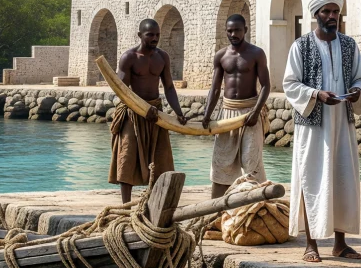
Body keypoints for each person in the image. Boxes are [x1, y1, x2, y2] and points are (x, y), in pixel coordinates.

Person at [282, 0, 361, 262]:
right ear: (315, 15)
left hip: (342, 122)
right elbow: (290, 83)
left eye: (335, 12)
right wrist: (316, 95)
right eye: (326, 12)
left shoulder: (348, 45)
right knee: (313, 179)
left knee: (342, 179)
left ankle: (340, 244)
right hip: (313, 126)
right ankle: (311, 244)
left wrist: (357, 91)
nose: (332, 17)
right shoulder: (301, 46)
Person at [109, 18, 187, 203]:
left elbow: (168, 87)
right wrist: (142, 108)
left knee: (161, 160)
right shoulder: (129, 57)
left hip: (155, 114)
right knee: (127, 158)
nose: (154, 38)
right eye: (150, 35)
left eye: (157, 35)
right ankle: (125, 207)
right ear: (140, 35)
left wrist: (178, 112)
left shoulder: (162, 57)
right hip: (132, 112)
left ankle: (157, 204)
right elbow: (121, 90)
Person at [201, 14, 271, 197]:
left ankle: (255, 209)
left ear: (245, 30)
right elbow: (215, 89)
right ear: (226, 31)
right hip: (227, 114)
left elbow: (266, 86)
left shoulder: (256, 53)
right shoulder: (221, 56)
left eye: (237, 30)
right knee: (221, 163)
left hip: (250, 113)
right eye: (230, 30)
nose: (234, 34)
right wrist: (207, 114)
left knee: (251, 163)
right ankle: (214, 210)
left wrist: (256, 112)